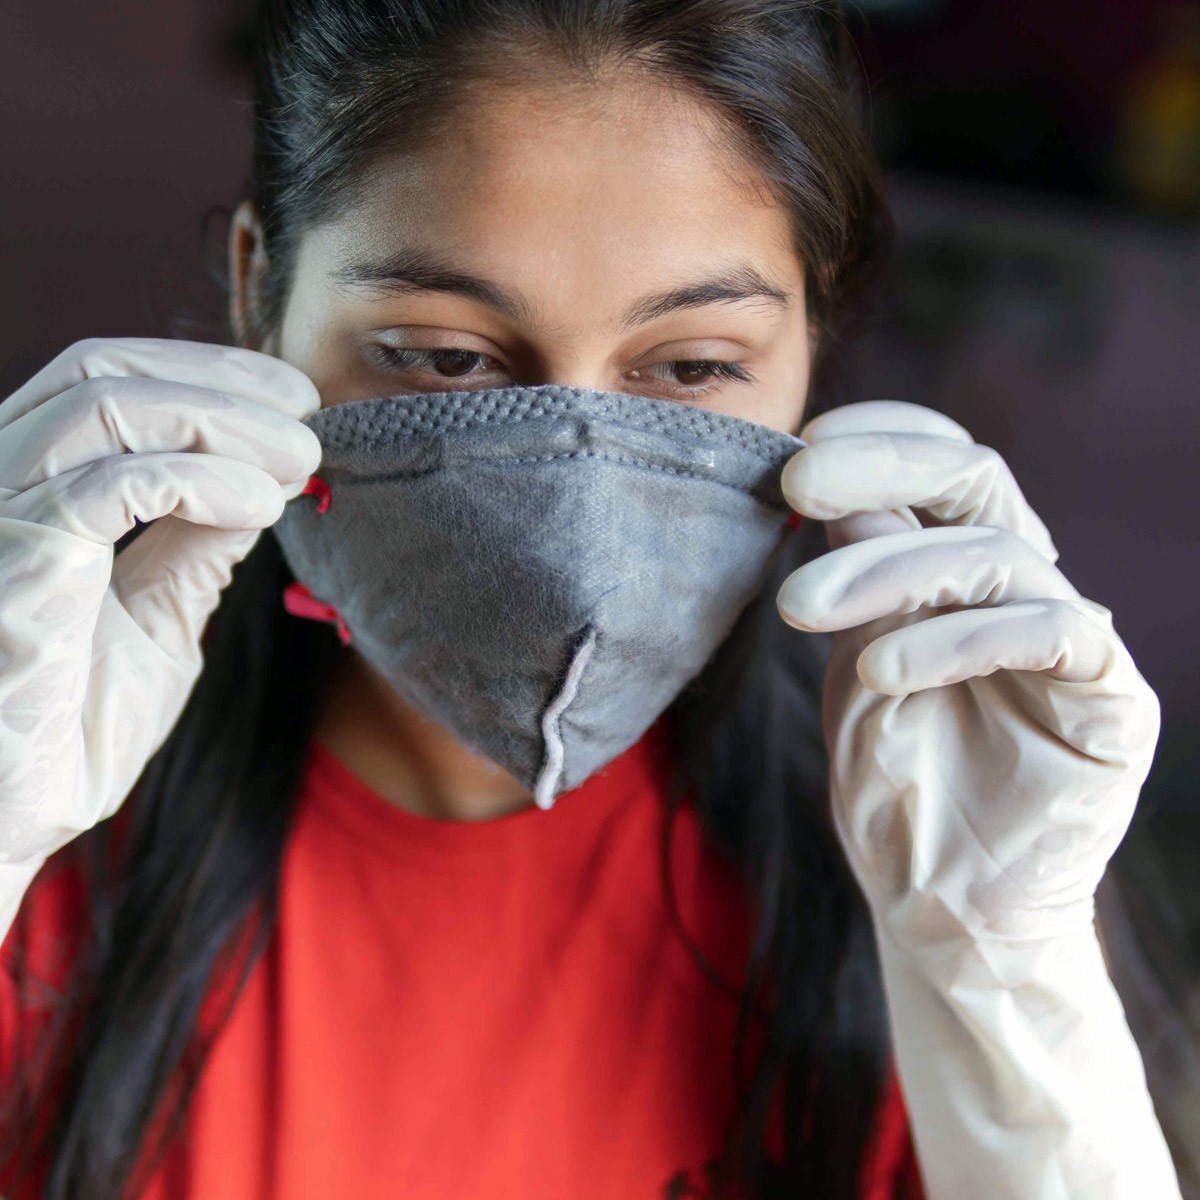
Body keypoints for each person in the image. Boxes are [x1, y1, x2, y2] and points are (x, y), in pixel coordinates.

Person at [0, 1, 1184, 1197]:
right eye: (444, 356)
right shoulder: (49, 825)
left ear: (815, 348)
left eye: (691, 368)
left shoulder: (921, 862)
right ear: (264, 295)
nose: (570, 521)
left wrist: (995, 961)